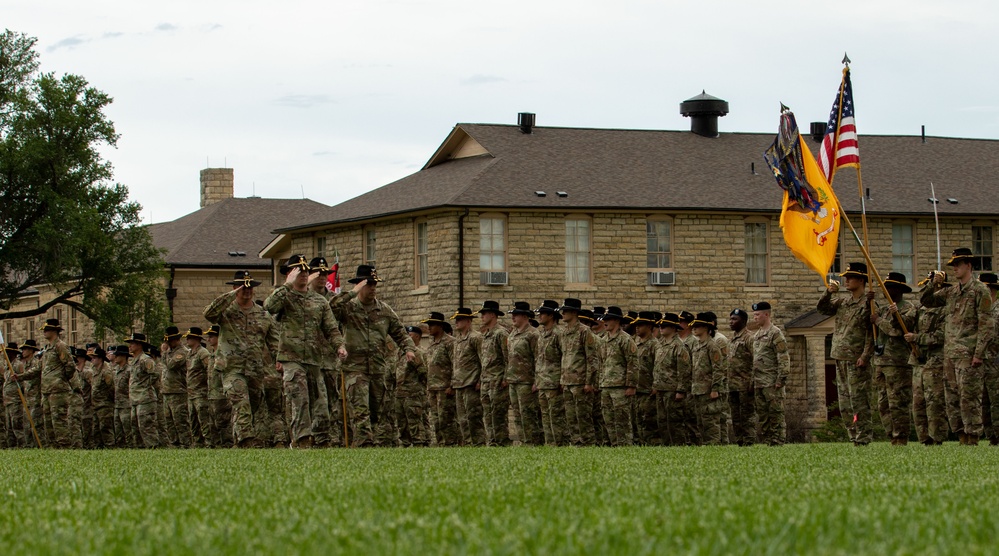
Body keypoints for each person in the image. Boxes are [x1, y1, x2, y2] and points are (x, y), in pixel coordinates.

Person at [328, 264, 415, 448]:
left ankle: (362, 442)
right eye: (369, 284)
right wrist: (353, 291)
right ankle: (364, 446)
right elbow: (332, 306)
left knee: (375, 412)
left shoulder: (384, 310)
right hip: (354, 369)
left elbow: (400, 333)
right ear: (360, 285)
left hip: (377, 368)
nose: (373, 288)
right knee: (361, 411)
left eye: (375, 284)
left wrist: (408, 349)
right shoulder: (349, 308)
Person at [921, 248, 995, 445]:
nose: (954, 268)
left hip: (969, 354)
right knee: (952, 398)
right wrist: (933, 283)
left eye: (958, 264)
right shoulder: (952, 291)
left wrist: (978, 353)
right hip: (951, 354)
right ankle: (961, 435)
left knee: (969, 398)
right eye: (953, 265)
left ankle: (973, 437)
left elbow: (987, 325)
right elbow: (927, 301)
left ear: (968, 265)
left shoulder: (980, 290)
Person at [204, 270, 280, 448]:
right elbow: (208, 313)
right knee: (241, 403)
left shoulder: (263, 315)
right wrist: (231, 294)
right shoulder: (226, 312)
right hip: (232, 368)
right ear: (235, 288)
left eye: (250, 287)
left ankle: (239, 442)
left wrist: (281, 361)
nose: (247, 290)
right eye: (243, 286)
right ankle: (246, 441)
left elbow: (275, 343)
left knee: (250, 408)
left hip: (255, 370)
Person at [817, 262, 875, 445]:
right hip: (840, 356)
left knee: (859, 401)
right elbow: (822, 309)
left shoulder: (869, 304)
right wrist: (828, 292)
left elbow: (872, 334)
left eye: (850, 277)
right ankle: (853, 436)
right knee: (844, 403)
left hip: (856, 359)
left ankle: (863, 437)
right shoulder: (843, 302)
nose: (846, 280)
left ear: (861, 280)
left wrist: (865, 356)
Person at [905, 277, 949, 445]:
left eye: (931, 287)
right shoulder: (919, 309)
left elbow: (940, 336)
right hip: (918, 360)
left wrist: (917, 337)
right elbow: (904, 322)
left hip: (935, 360)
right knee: (918, 403)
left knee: (934, 401)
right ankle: (924, 438)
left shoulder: (945, 310)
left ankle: (937, 438)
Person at [874, 273, 915, 445]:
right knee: (883, 403)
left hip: (898, 363)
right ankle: (891, 435)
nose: (886, 291)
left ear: (898, 289)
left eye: (889, 287)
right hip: (881, 361)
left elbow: (897, 330)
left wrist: (878, 322)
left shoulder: (908, 308)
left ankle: (901, 436)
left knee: (897, 402)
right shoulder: (883, 310)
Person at [558, 298, 599, 446]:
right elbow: (564, 357)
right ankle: (576, 444)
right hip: (568, 381)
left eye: (566, 311)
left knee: (583, 416)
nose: (563, 313)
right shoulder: (564, 333)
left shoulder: (584, 331)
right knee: (570, 416)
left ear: (574, 312)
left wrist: (589, 382)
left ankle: (588, 444)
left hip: (581, 382)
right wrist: (562, 379)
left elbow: (592, 359)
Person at [751, 302, 790, 446]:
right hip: (759, 382)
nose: (755, 318)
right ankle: (768, 440)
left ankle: (777, 441)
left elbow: (783, 357)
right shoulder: (757, 335)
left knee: (775, 414)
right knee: (763, 415)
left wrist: (781, 378)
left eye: (757, 314)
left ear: (766, 315)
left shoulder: (775, 333)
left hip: (772, 382)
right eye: (754, 315)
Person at [597, 307, 637, 446]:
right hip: (606, 385)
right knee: (608, 419)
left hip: (620, 386)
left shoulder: (625, 339)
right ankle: (613, 445)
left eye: (608, 319)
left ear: (617, 321)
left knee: (622, 419)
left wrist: (631, 385)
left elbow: (632, 363)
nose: (605, 322)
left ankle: (625, 445)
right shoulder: (603, 339)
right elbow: (601, 363)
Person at [505, 301, 542, 446]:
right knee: (517, 415)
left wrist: (536, 380)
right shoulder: (513, 334)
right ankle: (523, 442)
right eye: (512, 315)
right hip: (513, 381)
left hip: (527, 382)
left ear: (525, 316)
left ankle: (533, 443)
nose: (513, 317)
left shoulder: (533, 334)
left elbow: (539, 358)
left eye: (516, 315)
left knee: (528, 415)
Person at [39, 319, 80, 448]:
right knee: (48, 422)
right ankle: (53, 448)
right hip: (46, 390)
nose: (44, 332)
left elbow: (70, 365)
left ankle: (65, 447)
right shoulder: (47, 349)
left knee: (59, 421)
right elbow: (40, 368)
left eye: (47, 330)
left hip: (58, 390)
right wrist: (21, 376)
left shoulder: (60, 346)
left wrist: (61, 379)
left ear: (54, 331)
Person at [653, 313, 693, 446]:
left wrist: (681, 390)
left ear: (673, 327)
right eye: (660, 325)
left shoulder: (679, 346)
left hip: (673, 390)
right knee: (662, 422)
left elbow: (684, 371)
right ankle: (666, 447)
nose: (661, 328)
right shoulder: (661, 345)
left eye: (665, 325)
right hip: (661, 389)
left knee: (675, 423)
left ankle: (679, 447)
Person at [449, 307, 486, 446]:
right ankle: (468, 444)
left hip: (471, 384)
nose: (457, 322)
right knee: (462, 419)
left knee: (473, 417)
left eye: (460, 319)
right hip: (459, 384)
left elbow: (484, 361)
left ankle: (479, 444)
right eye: (456, 320)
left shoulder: (476, 338)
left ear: (468, 321)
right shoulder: (458, 340)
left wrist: (480, 380)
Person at [476, 300, 511, 446]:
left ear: (492, 314)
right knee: (488, 415)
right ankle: (492, 443)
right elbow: (483, 361)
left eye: (484, 313)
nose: (482, 316)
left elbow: (508, 358)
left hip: (497, 381)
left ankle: (502, 443)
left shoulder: (501, 334)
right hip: (486, 381)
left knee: (498, 415)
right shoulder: (485, 335)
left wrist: (505, 378)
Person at [689, 312, 725, 445]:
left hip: (708, 391)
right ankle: (705, 446)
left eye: (698, 326)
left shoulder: (712, 346)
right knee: (700, 422)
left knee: (711, 422)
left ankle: (714, 447)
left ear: (706, 328)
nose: (694, 328)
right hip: (698, 390)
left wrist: (715, 388)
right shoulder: (697, 346)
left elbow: (718, 369)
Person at [423, 312, 459, 446]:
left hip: (445, 388)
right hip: (433, 388)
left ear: (440, 326)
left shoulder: (450, 342)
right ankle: (440, 445)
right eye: (428, 324)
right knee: (436, 420)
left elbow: (455, 364)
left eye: (432, 324)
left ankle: (451, 445)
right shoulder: (432, 345)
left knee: (446, 419)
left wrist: (452, 385)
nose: (429, 327)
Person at [534, 300, 567, 446]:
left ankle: (561, 446)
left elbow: (565, 358)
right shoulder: (542, 335)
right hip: (543, 382)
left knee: (557, 417)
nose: (539, 316)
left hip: (554, 383)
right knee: (546, 417)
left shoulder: (559, 334)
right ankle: (550, 445)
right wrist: (537, 380)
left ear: (551, 315)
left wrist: (562, 380)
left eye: (542, 313)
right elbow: (539, 359)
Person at [395, 325, 429, 447]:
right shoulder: (399, 352)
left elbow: (423, 372)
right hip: (399, 394)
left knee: (415, 423)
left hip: (413, 394)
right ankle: (405, 445)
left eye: (410, 335)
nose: (407, 337)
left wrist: (419, 388)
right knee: (402, 424)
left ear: (417, 337)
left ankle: (419, 445)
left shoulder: (416, 353)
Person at [127, 333, 162, 448]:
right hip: (135, 399)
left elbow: (155, 374)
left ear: (139, 345)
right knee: (135, 427)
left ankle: (152, 448)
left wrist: (145, 385)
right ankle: (140, 451)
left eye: (133, 343)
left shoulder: (145, 360)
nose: (130, 346)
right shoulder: (133, 361)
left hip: (145, 398)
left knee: (146, 426)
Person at [727, 309, 756, 446]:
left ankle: (749, 443)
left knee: (747, 418)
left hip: (745, 385)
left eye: (734, 319)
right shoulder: (732, 338)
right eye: (730, 319)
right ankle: (740, 443)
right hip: (732, 385)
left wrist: (753, 383)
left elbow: (757, 361)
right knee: (736, 418)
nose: (731, 322)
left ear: (743, 321)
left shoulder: (749, 338)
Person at [160, 326, 192, 448]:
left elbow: (171, 365)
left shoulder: (182, 352)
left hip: (178, 392)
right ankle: (174, 445)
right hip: (167, 391)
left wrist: (164, 353)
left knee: (180, 421)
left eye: (169, 341)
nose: (167, 343)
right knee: (169, 422)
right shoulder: (170, 352)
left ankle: (186, 445)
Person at [632, 311, 660, 445]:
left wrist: (655, 386)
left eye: (640, 325)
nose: (637, 327)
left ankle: (652, 447)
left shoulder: (655, 345)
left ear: (649, 326)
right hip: (637, 390)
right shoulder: (636, 345)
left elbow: (658, 368)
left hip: (648, 391)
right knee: (637, 422)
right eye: (636, 325)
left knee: (649, 422)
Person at [184, 327, 214, 447]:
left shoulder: (203, 353)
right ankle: (197, 443)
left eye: (190, 337)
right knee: (193, 420)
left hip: (201, 392)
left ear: (197, 339)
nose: (187, 339)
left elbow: (209, 370)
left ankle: (209, 443)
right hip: (191, 393)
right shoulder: (189, 354)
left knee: (204, 419)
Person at [979, 273, 999, 444]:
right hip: (980, 361)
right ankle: (990, 435)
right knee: (983, 401)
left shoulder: (997, 309)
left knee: (996, 400)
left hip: (996, 360)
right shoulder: (979, 309)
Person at [205, 325, 233, 447]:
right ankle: (216, 447)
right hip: (212, 395)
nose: (208, 339)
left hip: (221, 395)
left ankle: (227, 446)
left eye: (211, 336)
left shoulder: (223, 354)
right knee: (213, 425)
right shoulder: (211, 355)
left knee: (223, 424)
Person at [87, 344, 115, 448]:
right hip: (95, 405)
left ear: (100, 359)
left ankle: (110, 447)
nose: (92, 360)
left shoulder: (106, 372)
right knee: (96, 430)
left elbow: (111, 388)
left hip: (104, 405)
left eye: (94, 358)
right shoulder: (94, 371)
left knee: (106, 429)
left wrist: (108, 401)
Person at [110, 345, 134, 447]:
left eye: (117, 355)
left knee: (128, 431)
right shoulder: (115, 371)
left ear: (124, 356)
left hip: (126, 405)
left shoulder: (129, 370)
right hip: (117, 405)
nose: (115, 357)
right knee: (118, 432)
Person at [3, 342, 26, 447]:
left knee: (17, 426)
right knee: (9, 428)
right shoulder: (7, 367)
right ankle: (11, 448)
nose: (5, 354)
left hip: (15, 401)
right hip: (7, 401)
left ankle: (22, 447)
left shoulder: (18, 365)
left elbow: (22, 381)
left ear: (12, 353)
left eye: (7, 352)